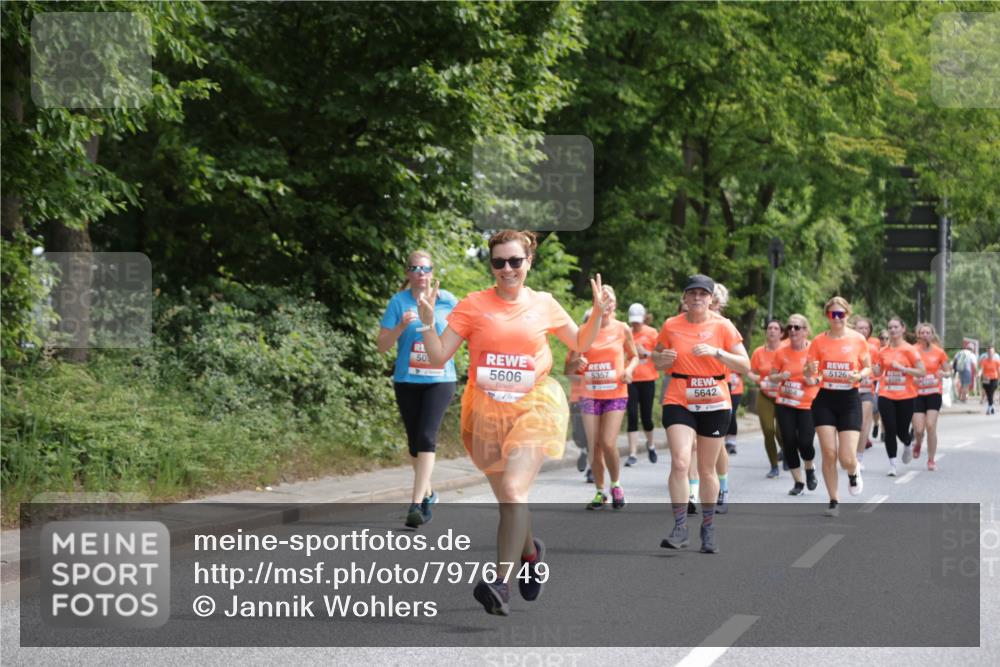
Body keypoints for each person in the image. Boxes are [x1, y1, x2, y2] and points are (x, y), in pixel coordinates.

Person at [417, 229, 606, 616]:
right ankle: (532, 556)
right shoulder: (472, 305)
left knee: (514, 489)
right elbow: (438, 357)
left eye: (515, 261)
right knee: (509, 498)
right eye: (499, 262)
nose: (507, 269)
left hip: (534, 405)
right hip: (485, 412)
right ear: (491, 265)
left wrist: (598, 313)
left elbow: (581, 343)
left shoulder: (545, 304)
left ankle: (500, 585)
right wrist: (425, 322)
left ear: (528, 262)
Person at [653, 274, 750, 554]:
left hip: (714, 400)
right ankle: (680, 527)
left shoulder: (724, 326)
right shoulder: (671, 325)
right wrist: (663, 359)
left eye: (702, 294)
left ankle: (707, 528)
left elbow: (744, 365)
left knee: (707, 469)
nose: (697, 298)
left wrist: (717, 353)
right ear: (684, 297)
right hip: (679, 397)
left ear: (711, 299)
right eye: (692, 293)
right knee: (681, 462)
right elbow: (656, 359)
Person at [377, 250, 457, 529]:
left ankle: (415, 504)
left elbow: (464, 335)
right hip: (407, 379)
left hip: (441, 378)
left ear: (432, 272)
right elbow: (382, 345)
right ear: (408, 273)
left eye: (425, 268)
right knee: (414, 444)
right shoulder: (398, 302)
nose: (421, 273)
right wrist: (401, 325)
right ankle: (430, 493)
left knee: (426, 436)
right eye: (415, 268)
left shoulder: (447, 301)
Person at [570, 286, 638, 509]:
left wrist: (629, 370)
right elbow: (569, 367)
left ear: (615, 305)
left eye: (610, 301)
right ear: (595, 303)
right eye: (601, 300)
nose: (606, 305)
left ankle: (616, 485)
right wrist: (576, 364)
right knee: (594, 445)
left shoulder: (622, 329)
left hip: (615, 393)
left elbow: (634, 356)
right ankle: (600, 491)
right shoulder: (584, 330)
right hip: (590, 395)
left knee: (608, 442)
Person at [805, 296, 872, 517]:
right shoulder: (818, 342)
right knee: (828, 452)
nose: (837, 318)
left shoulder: (858, 339)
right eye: (832, 314)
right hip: (825, 399)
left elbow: (868, 368)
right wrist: (810, 370)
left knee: (846, 457)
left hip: (849, 400)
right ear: (827, 316)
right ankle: (833, 499)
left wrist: (859, 375)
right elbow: (809, 373)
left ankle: (853, 472)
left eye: (840, 314)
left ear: (847, 315)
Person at [771, 314, 820, 495]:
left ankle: (809, 468)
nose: (792, 330)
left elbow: (821, 375)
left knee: (805, 442)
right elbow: (771, 376)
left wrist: (812, 381)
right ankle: (798, 482)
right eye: (790, 327)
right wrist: (780, 377)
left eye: (797, 327)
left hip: (807, 403)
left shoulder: (814, 351)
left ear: (805, 331)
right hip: (785, 402)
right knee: (789, 442)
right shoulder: (781, 352)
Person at [876, 317, 925, 475]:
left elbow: (922, 371)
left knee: (901, 430)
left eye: (896, 327)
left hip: (906, 395)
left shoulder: (910, 350)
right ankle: (893, 464)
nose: (892, 330)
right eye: (890, 327)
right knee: (890, 428)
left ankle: (908, 441)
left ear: (903, 329)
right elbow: (877, 371)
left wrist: (903, 369)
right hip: (886, 394)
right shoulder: (883, 351)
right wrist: (872, 366)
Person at [749, 319, 786, 478]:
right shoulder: (759, 352)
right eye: (769, 328)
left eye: (775, 328)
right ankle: (773, 466)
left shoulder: (786, 351)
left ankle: (786, 451)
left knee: (781, 432)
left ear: (781, 333)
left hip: (784, 396)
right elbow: (751, 371)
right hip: (765, 395)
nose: (771, 331)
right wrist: (759, 380)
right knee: (768, 430)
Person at [625, 303, 660, 466]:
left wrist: (645, 352)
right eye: (633, 321)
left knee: (646, 416)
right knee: (632, 415)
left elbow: (660, 356)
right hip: (631, 379)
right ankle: (632, 453)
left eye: (638, 321)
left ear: (644, 318)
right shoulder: (626, 333)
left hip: (648, 379)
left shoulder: (652, 333)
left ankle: (651, 445)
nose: (635, 324)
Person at [912, 322, 950, 470]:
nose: (925, 335)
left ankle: (931, 459)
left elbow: (948, 371)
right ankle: (918, 442)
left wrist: (944, 374)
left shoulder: (939, 352)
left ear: (932, 335)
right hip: (917, 393)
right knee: (919, 429)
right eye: (922, 333)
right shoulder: (913, 351)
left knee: (930, 426)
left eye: (928, 333)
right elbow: (907, 368)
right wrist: (912, 377)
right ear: (918, 335)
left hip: (934, 392)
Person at [851, 316, 881, 470]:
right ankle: (849, 453)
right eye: (860, 327)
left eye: (866, 328)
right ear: (854, 329)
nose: (863, 330)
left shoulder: (874, 349)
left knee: (863, 425)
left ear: (870, 331)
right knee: (850, 425)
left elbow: (878, 370)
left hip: (866, 390)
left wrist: (877, 369)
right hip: (849, 390)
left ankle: (859, 458)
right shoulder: (847, 345)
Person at [564, 311, 591, 477]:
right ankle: (583, 450)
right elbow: (568, 373)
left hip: (597, 398)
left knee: (594, 433)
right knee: (578, 434)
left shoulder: (606, 347)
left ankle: (592, 470)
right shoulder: (575, 348)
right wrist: (576, 367)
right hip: (577, 396)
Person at [980, 345, 999, 415]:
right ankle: (992, 406)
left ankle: (989, 408)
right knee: (988, 394)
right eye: (989, 351)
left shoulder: (996, 361)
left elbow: (998, 370)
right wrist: (979, 374)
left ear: (994, 352)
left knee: (991, 393)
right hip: (986, 379)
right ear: (987, 352)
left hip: (994, 378)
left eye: (991, 351)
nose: (990, 353)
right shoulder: (984, 361)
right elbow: (981, 369)